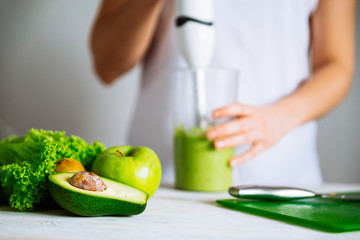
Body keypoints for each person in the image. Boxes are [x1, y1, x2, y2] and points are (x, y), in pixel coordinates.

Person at [90, 0, 355, 186]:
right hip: (160, 184)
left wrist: (279, 117)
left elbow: (337, 66)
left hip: (282, 182)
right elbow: (107, 65)